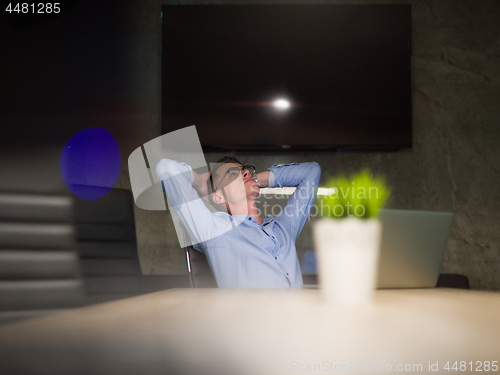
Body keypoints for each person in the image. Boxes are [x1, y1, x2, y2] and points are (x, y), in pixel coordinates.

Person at [156, 156, 321, 288]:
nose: (246, 173)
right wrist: (199, 180)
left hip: (303, 322)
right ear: (219, 196)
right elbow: (166, 168)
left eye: (246, 171)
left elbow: (311, 171)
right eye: (231, 174)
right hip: (255, 326)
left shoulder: (283, 227)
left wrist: (254, 179)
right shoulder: (215, 229)